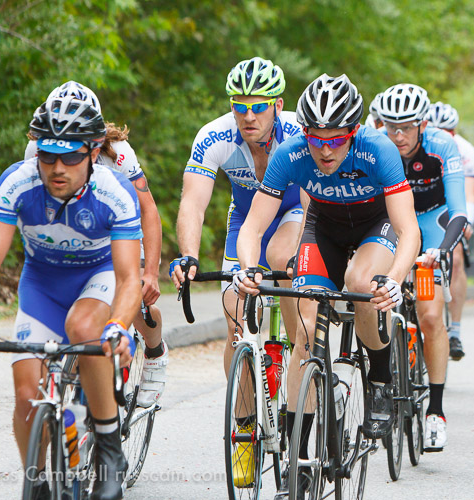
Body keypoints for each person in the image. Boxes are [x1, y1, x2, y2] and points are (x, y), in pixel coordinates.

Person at [236, 74, 419, 496]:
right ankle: (297, 461)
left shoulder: (379, 150)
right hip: (324, 229)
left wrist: (394, 280)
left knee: (361, 283)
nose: (325, 149)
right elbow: (253, 226)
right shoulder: (290, 153)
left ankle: (379, 378)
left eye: (336, 139)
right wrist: (248, 267)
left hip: (376, 225)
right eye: (316, 138)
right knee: (304, 336)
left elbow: (409, 230)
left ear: (353, 132)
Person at [0, 94, 140, 500]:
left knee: (84, 326)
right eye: (47, 155)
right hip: (41, 285)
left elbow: (130, 277)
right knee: (27, 396)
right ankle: (37, 481)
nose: (57, 168)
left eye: (71, 157)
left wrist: (118, 326)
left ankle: (109, 447)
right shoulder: (18, 182)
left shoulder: (114, 191)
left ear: (93, 152)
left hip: (97, 279)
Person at [170, 57, 302, 486]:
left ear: (277, 105)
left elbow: (318, 195)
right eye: (239, 106)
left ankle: (299, 376)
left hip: (292, 215)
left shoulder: (299, 133)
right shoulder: (215, 136)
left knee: (282, 260)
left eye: (258, 107)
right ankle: (244, 430)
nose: (248, 116)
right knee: (236, 317)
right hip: (244, 222)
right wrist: (189, 255)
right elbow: (193, 202)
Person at [25, 81, 167, 408]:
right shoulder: (36, 150)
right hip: (77, 230)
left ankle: (155, 351)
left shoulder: (118, 153)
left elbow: (148, 210)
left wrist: (150, 272)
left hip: (117, 226)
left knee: (133, 299)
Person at [377, 86, 467, 451]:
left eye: (406, 127)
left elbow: (458, 211)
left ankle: (436, 411)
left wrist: (441, 251)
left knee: (430, 317)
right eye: (391, 127)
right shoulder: (375, 146)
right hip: (390, 224)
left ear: (423, 125)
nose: (398, 135)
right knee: (375, 300)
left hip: (431, 226)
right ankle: (379, 385)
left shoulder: (442, 146)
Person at [425, 101, 474, 361]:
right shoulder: (418, 145)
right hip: (426, 207)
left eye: (446, 131)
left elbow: (470, 195)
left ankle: (455, 330)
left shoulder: (465, 151)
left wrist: (467, 223)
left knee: (455, 259)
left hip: (452, 206)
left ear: (454, 132)